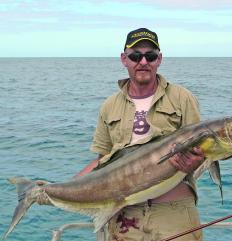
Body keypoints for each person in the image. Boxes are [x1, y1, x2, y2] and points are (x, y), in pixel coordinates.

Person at [75, 28, 204, 241]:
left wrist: (195, 163)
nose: (143, 61)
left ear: (159, 59)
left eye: (150, 56)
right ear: (124, 59)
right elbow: (103, 161)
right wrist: (66, 187)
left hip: (174, 211)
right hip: (124, 215)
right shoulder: (109, 106)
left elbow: (201, 151)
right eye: (135, 55)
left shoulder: (182, 98)